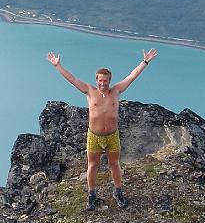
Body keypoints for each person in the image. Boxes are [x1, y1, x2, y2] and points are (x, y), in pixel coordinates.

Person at [47, 49, 158, 209]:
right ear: (96, 80)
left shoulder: (116, 91)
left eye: (105, 81)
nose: (102, 84)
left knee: (115, 164)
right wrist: (58, 65)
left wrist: (145, 61)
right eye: (100, 81)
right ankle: (92, 195)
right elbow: (73, 79)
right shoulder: (89, 91)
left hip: (112, 136)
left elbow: (132, 76)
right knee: (92, 166)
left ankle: (118, 192)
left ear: (109, 80)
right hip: (94, 136)